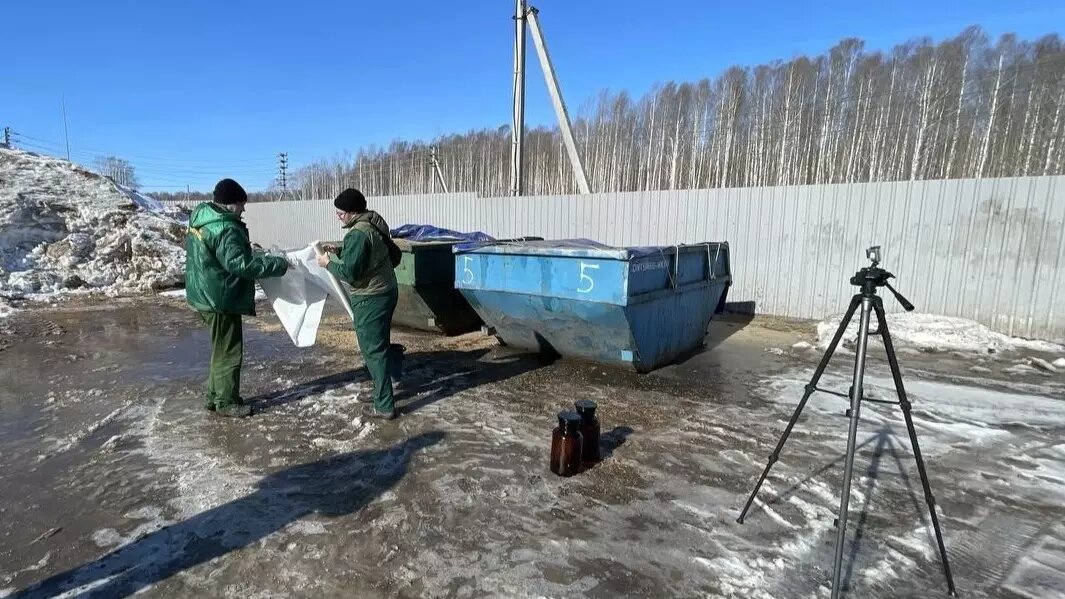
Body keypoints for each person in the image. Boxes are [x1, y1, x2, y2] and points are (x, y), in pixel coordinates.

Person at [185, 178, 289, 418]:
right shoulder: (225, 228)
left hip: (204, 293)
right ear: (230, 204)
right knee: (229, 351)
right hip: (220, 298)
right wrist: (277, 264)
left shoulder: (203, 219)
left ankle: (214, 397)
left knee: (220, 349)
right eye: (241, 204)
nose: (243, 209)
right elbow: (240, 264)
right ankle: (226, 402)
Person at [317, 188, 400, 420]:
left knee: (373, 350)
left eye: (340, 212)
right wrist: (341, 250)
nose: (338, 216)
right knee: (380, 344)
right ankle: (380, 391)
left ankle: (384, 405)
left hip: (371, 297)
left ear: (351, 212)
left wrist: (327, 263)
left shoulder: (356, 234)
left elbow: (351, 273)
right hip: (387, 291)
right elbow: (372, 253)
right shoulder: (372, 222)